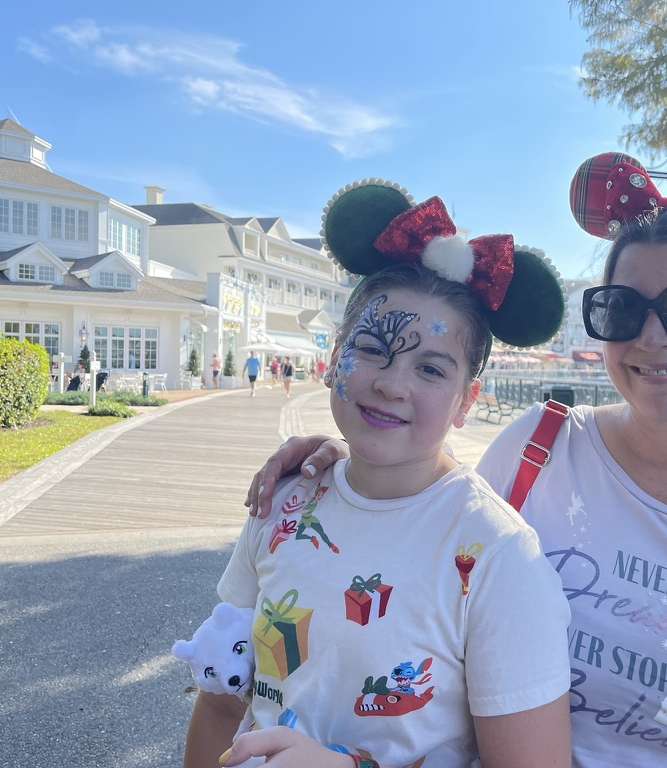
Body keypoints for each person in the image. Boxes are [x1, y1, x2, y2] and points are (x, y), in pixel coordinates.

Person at [246, 128, 667, 766]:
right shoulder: (541, 449)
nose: (654, 336)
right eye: (623, 308)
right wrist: (352, 459)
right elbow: (430, 528)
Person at [184, 180, 573, 768]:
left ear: (468, 400)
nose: (392, 384)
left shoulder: (496, 556)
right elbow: (220, 705)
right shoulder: (286, 502)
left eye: (432, 369)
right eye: (371, 347)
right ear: (334, 355)